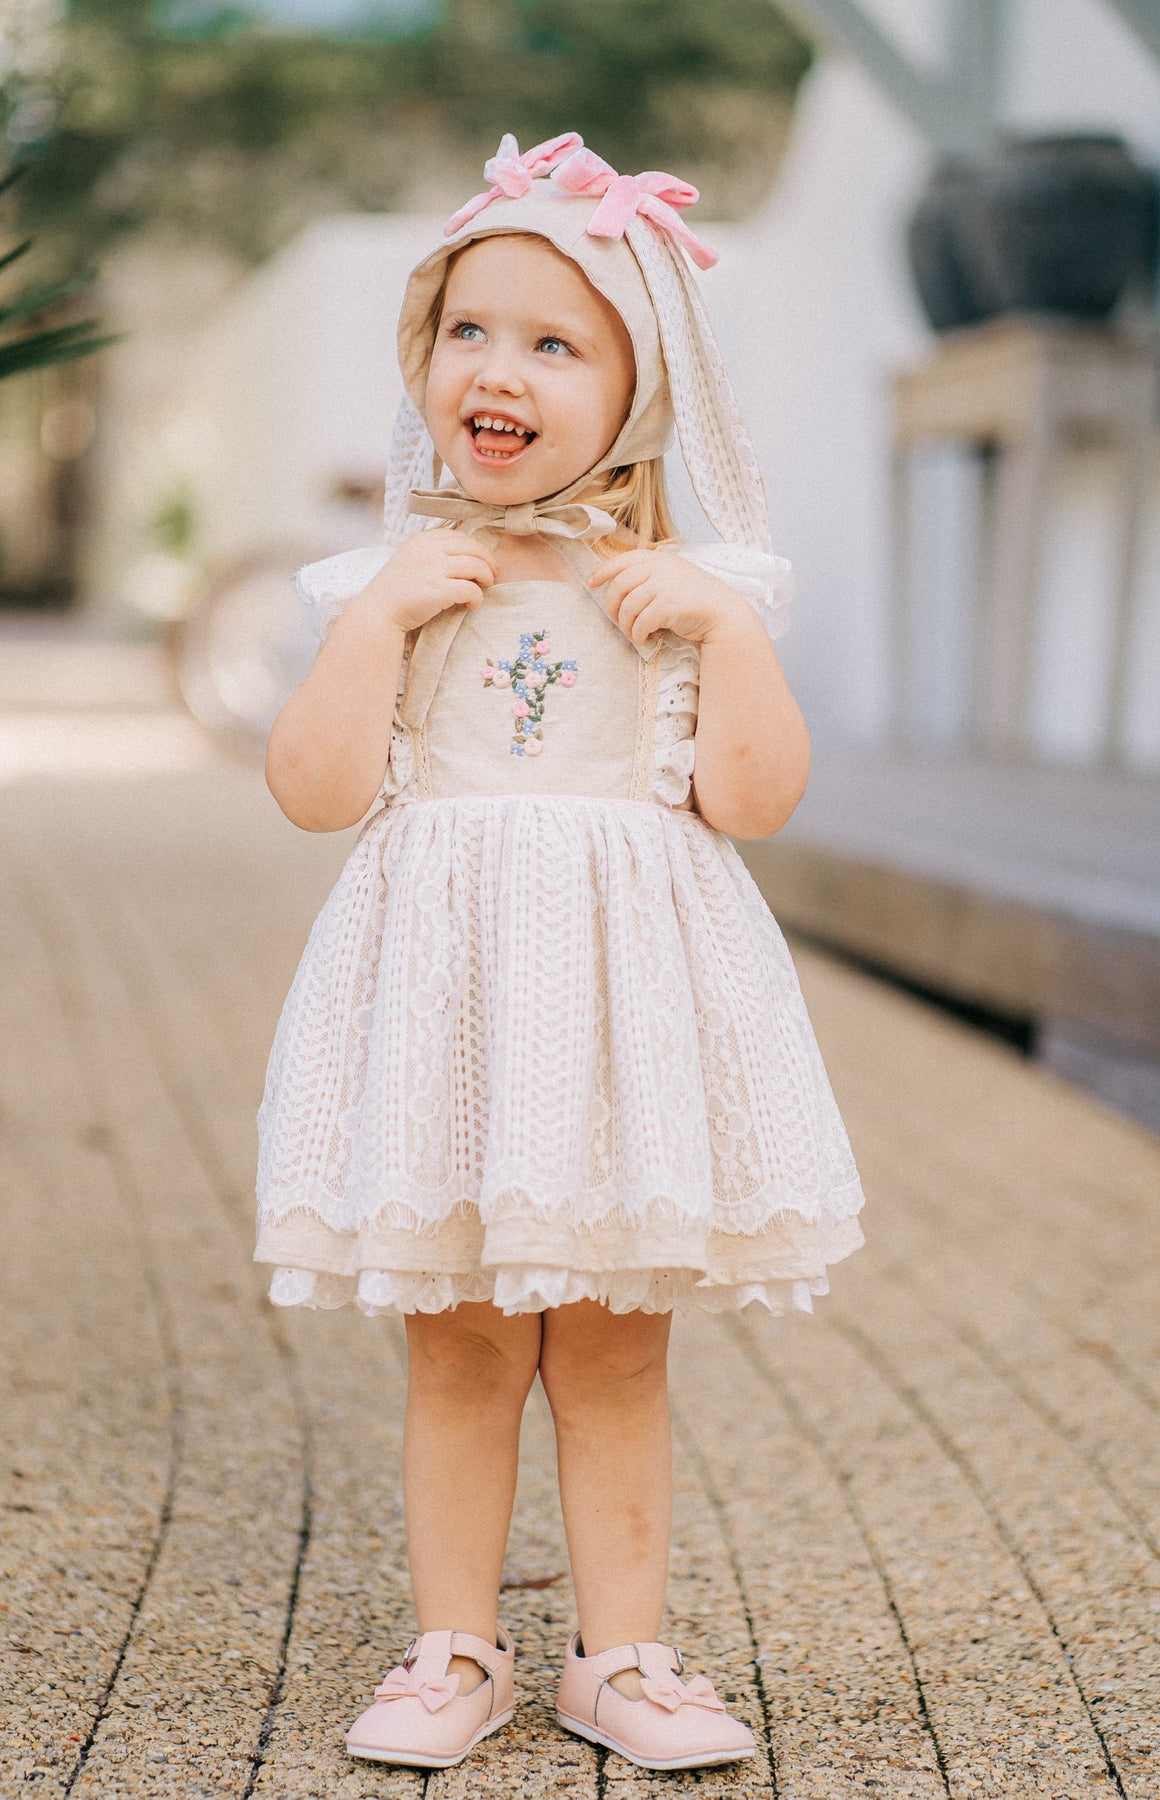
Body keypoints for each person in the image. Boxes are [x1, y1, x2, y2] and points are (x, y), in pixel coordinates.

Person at [256, 131, 865, 1774]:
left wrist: (726, 633)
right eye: (467, 332)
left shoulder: (689, 587)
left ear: (640, 387)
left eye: (552, 340)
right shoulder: (395, 583)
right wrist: (373, 619)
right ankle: (455, 1644)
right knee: (456, 1342)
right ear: (423, 364)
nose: (497, 369)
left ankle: (624, 1657)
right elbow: (314, 795)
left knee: (610, 1344)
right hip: (450, 1015)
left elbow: (751, 798)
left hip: (619, 1024)